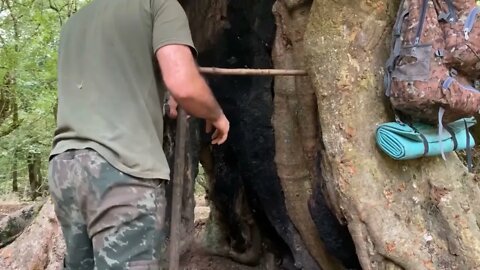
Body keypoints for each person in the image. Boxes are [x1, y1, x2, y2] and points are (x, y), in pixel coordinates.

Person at [48, 0, 230, 269]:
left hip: (65, 168)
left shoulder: (76, 22)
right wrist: (215, 114)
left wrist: (164, 97)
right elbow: (184, 83)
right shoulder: (159, 5)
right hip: (121, 170)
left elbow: (113, 78)